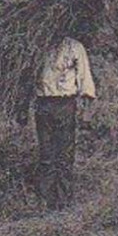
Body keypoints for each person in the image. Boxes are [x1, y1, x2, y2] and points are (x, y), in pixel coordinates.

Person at [33, 34, 96, 210]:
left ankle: (63, 201)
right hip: (43, 103)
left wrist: (87, 111)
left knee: (65, 154)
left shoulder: (75, 47)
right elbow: (27, 74)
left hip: (65, 104)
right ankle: (45, 200)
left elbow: (85, 79)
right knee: (46, 153)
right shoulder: (39, 44)